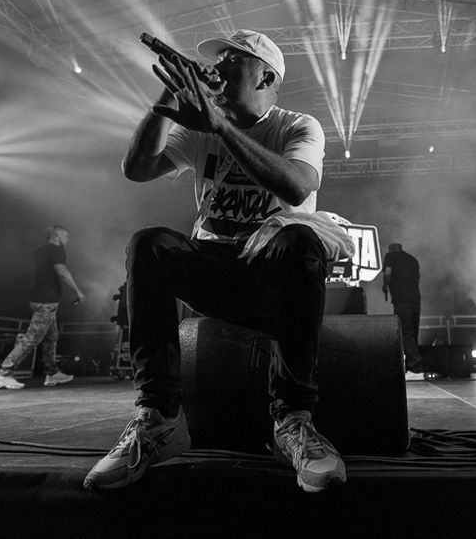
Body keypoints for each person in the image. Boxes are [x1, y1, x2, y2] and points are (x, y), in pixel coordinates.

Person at [84, 29, 349, 494]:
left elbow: (296, 187)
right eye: (218, 59)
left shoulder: (297, 126)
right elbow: (136, 169)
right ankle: (159, 419)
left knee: (300, 239)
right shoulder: (200, 126)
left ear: (265, 76)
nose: (218, 67)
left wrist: (222, 128)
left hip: (271, 274)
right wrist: (168, 100)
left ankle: (292, 421)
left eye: (232, 60)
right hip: (215, 268)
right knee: (149, 244)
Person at [0, 225, 85, 389]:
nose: (67, 239)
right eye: (65, 236)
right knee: (32, 338)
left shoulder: (40, 251)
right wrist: (77, 291)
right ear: (56, 236)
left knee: (51, 336)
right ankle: (3, 373)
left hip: (38, 297)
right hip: (47, 301)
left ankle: (52, 373)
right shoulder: (57, 250)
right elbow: (61, 271)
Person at [382, 242, 423, 373]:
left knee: (405, 332)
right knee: (413, 332)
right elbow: (418, 279)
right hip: (415, 299)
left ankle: (415, 367)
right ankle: (411, 366)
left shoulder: (390, 256)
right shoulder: (412, 259)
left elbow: (388, 273)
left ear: (391, 250)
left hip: (402, 300)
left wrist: (385, 285)